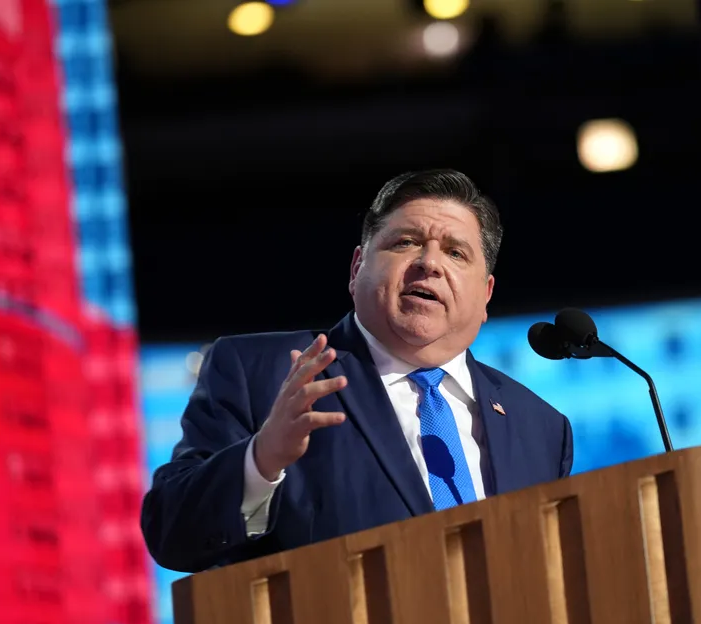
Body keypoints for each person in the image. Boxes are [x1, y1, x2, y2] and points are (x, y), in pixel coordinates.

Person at [140, 169, 574, 573]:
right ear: (356, 268)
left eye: (456, 253)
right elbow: (172, 533)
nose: (430, 263)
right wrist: (262, 459)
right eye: (405, 242)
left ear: (486, 295)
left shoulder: (540, 427)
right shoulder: (263, 374)